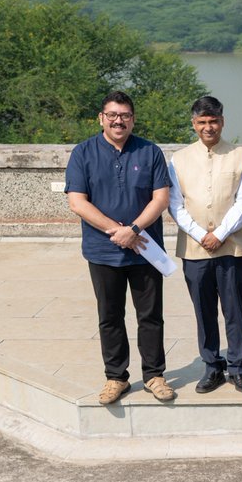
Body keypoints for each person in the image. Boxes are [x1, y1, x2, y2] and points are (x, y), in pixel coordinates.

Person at [65, 90, 175, 404]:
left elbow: (161, 198)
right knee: (110, 316)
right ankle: (116, 377)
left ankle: (154, 374)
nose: (118, 120)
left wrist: (135, 230)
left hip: (145, 250)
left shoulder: (149, 151)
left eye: (125, 115)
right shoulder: (83, 153)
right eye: (112, 115)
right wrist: (117, 231)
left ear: (133, 119)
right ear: (101, 118)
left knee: (150, 316)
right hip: (103, 250)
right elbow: (77, 202)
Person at [168, 96, 242, 394]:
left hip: (231, 246)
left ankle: (239, 366)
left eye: (213, 121)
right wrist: (198, 233)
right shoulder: (178, 159)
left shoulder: (241, 155)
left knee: (234, 308)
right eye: (202, 122)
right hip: (194, 248)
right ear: (194, 124)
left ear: (222, 121)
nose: (208, 127)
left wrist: (220, 233)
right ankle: (211, 366)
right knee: (203, 310)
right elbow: (175, 204)